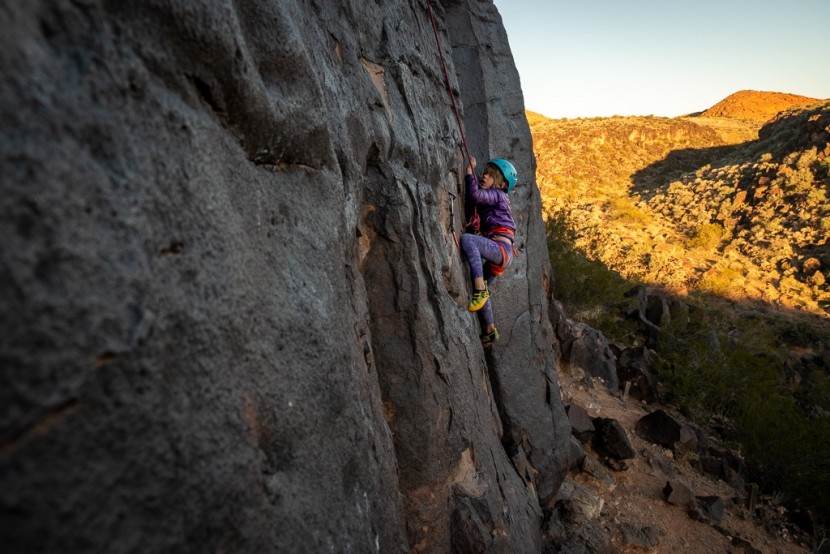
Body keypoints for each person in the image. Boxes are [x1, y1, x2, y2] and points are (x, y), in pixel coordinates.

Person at [459, 157, 518, 346]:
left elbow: (476, 195)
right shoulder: (497, 197)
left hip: (500, 248)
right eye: (484, 172)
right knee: (484, 283)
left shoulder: (497, 194)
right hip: (502, 252)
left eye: (490, 175)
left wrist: (469, 171)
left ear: (500, 183)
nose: (484, 176)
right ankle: (489, 329)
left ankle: (479, 291)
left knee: (468, 240)